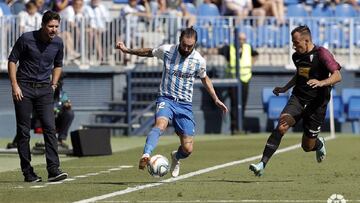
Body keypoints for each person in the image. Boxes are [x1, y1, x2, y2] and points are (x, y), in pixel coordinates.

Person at [116, 27, 228, 177]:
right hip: (166, 99)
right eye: (184, 45)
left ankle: (176, 157)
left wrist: (215, 98)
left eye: (190, 46)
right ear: (179, 41)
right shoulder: (167, 51)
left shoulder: (199, 60)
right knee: (160, 124)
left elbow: (204, 78)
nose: (187, 48)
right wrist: (127, 50)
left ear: (195, 44)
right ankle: (146, 154)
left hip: (185, 105)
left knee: (187, 149)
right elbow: (149, 52)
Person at [249, 25, 342, 177]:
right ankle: (262, 164)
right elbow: (300, 75)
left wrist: (322, 82)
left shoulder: (322, 54)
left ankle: (319, 143)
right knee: (282, 125)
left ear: (306, 40)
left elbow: (337, 76)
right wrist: (285, 88)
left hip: (317, 104)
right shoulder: (296, 56)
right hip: (298, 98)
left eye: (296, 42)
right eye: (292, 42)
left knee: (307, 146)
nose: (294, 46)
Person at [8, 10, 68, 182]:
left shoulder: (58, 43)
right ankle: (28, 172)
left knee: (50, 128)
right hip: (23, 88)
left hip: (44, 90)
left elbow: (58, 64)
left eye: (56, 26)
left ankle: (53, 169)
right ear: (42, 25)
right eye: (50, 26)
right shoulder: (26, 38)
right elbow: (12, 60)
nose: (54, 30)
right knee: (24, 131)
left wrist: (54, 84)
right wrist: (14, 85)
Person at [218, 32, 258, 134]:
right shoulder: (229, 48)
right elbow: (218, 51)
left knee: (243, 104)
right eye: (240, 39)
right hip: (233, 80)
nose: (241, 41)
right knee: (234, 104)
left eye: (243, 39)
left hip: (245, 79)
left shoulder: (248, 48)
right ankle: (234, 127)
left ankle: (241, 127)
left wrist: (251, 63)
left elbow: (256, 54)